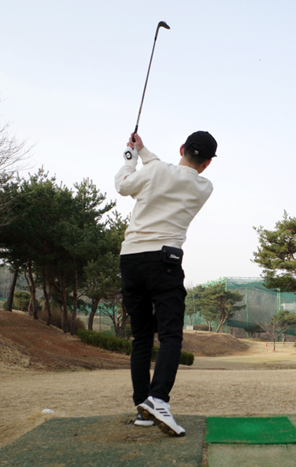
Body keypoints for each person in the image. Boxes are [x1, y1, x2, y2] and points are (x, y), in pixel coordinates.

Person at [115, 130, 217, 437]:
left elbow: (123, 185)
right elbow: (168, 173)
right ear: (208, 163)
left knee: (141, 337)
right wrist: (144, 152)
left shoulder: (156, 170)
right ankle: (157, 399)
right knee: (170, 335)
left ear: (182, 148)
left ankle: (143, 409)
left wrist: (131, 157)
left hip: (130, 259)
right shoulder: (204, 186)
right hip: (165, 262)